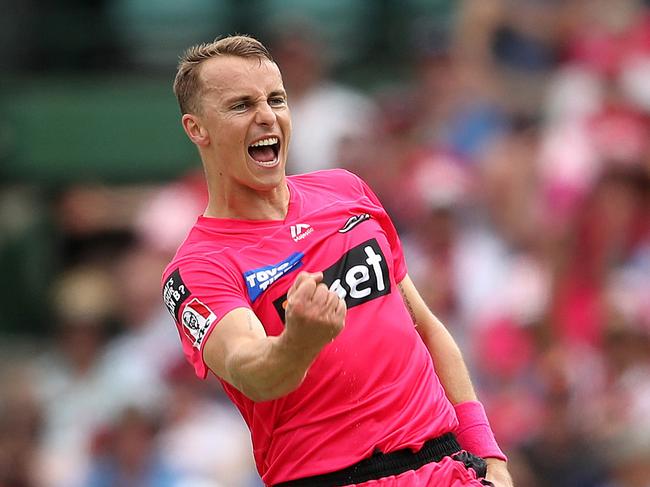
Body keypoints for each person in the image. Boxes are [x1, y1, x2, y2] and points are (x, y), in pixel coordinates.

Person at [161, 34, 513, 487]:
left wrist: (489, 456)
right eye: (241, 105)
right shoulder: (198, 268)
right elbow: (254, 371)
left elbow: (424, 327)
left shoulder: (345, 190)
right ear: (197, 129)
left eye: (276, 99)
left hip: (447, 468)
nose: (267, 116)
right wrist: (299, 341)